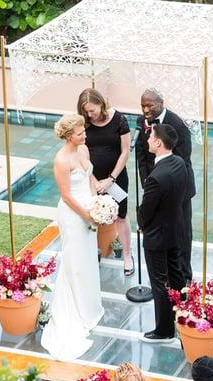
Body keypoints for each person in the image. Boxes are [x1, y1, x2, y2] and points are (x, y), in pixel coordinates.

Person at [41, 114, 104, 360]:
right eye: (80, 133)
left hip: (89, 208)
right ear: (69, 136)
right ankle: (77, 309)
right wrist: (86, 214)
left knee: (88, 260)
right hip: (72, 214)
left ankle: (90, 306)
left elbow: (88, 177)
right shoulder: (61, 160)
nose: (85, 135)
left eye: (84, 132)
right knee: (75, 263)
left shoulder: (83, 150)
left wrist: (96, 203)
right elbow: (66, 196)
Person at [135, 88, 195, 283]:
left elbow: (184, 160)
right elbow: (141, 157)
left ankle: (185, 276)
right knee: (160, 231)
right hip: (155, 187)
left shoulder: (177, 124)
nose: (145, 110)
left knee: (182, 232)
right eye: (142, 105)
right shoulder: (140, 123)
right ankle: (165, 274)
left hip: (178, 190)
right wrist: (147, 182)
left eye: (149, 105)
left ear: (161, 103)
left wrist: (164, 184)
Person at [137, 124, 187, 343]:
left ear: (158, 143)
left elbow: (147, 208)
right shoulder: (179, 163)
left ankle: (164, 330)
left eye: (151, 138)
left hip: (157, 235)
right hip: (175, 229)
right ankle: (181, 312)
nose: (147, 140)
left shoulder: (156, 177)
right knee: (176, 275)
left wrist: (141, 224)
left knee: (159, 282)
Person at [77, 88, 133, 275]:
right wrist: (93, 181)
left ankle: (127, 256)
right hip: (91, 179)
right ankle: (93, 253)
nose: (89, 114)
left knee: (121, 216)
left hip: (116, 179)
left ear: (101, 103)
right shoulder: (83, 123)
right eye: (86, 111)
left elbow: (125, 151)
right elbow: (80, 154)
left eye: (92, 110)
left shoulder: (119, 120)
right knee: (92, 216)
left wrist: (110, 179)